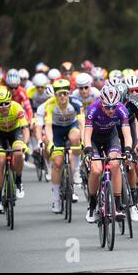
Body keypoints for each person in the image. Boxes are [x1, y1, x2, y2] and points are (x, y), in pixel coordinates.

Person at [83, 85, 133, 223]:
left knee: (115, 163)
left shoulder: (122, 110)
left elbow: (127, 135)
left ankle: (117, 206)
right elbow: (86, 136)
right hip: (94, 139)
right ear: (101, 103)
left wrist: (128, 150)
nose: (111, 110)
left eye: (113, 107)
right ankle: (92, 205)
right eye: (107, 107)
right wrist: (87, 151)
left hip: (111, 137)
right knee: (96, 169)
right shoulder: (93, 109)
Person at [44, 79, 84, 212]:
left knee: (75, 137)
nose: (62, 96)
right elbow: (48, 127)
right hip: (56, 131)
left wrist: (84, 141)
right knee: (57, 163)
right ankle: (56, 199)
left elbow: (82, 124)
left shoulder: (76, 103)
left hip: (71, 127)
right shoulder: (49, 105)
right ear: (55, 94)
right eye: (59, 94)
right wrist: (50, 143)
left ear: (69, 93)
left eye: (65, 93)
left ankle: (76, 170)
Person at [115, 82, 138, 222]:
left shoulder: (134, 101)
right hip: (113, 132)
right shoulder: (108, 103)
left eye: (124, 103)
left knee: (131, 164)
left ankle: (133, 199)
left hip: (129, 132)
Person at [0, 86, 30, 210]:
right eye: (0, 104)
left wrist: (25, 144)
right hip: (0, 134)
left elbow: (25, 128)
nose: (4, 107)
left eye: (6, 103)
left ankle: (18, 181)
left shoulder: (17, 107)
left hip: (14, 132)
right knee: (0, 161)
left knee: (18, 153)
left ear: (10, 101)